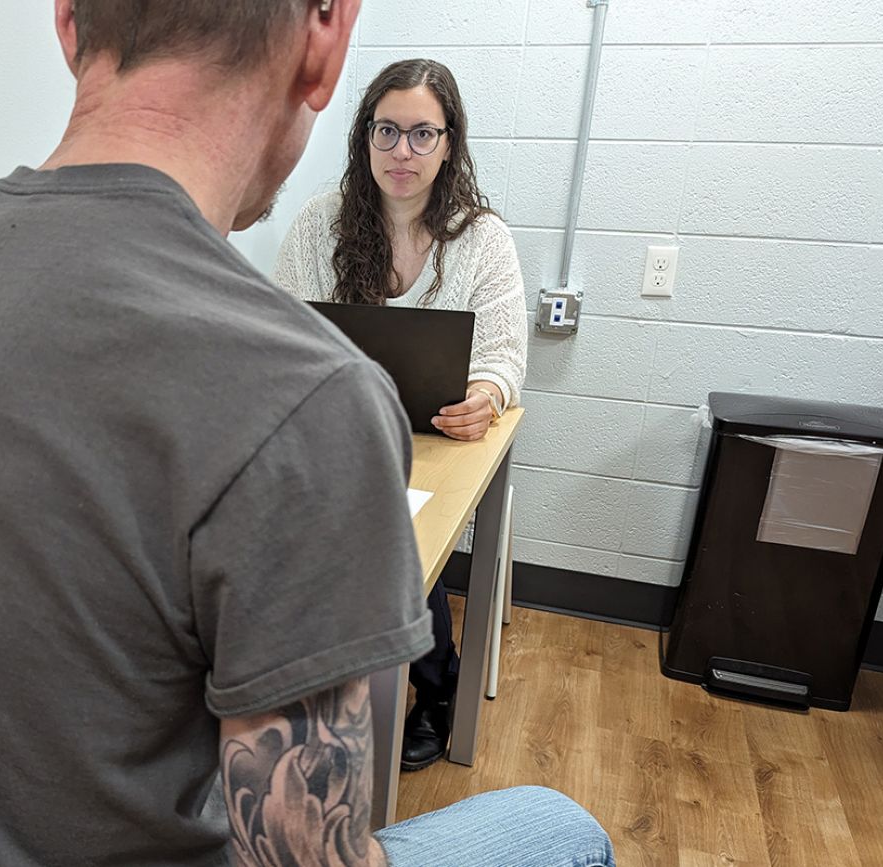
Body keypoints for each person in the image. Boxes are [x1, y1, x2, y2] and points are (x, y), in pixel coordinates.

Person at [0, 1, 612, 864]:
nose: (403, 152)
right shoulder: (303, 397)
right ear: (326, 41)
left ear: (67, 25)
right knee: (563, 826)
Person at [274, 58, 529, 772]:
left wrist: (487, 394)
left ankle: (435, 684)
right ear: (364, 137)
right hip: (334, 429)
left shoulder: (482, 238)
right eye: (387, 131)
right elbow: (284, 332)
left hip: (435, 438)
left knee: (395, 526)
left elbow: (507, 355)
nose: (402, 152)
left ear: (450, 142)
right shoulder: (319, 223)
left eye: (423, 134)